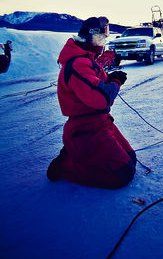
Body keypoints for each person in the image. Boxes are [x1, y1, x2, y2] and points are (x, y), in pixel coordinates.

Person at [47, 16, 136, 189]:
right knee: (122, 174)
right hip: (85, 128)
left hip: (101, 123)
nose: (104, 41)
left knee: (130, 158)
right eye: (102, 37)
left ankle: (78, 154)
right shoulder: (78, 63)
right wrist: (115, 82)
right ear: (93, 38)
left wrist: (109, 78)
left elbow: (95, 83)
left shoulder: (87, 59)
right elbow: (101, 99)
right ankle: (65, 166)